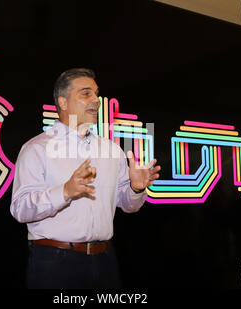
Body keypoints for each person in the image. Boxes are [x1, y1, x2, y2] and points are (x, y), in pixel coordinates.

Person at [10, 68, 160, 289]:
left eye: (96, 94)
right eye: (86, 93)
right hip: (55, 262)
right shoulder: (36, 148)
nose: (96, 101)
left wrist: (136, 190)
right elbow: (20, 209)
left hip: (105, 260)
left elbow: (128, 206)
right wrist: (65, 192)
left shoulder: (112, 150)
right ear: (63, 102)